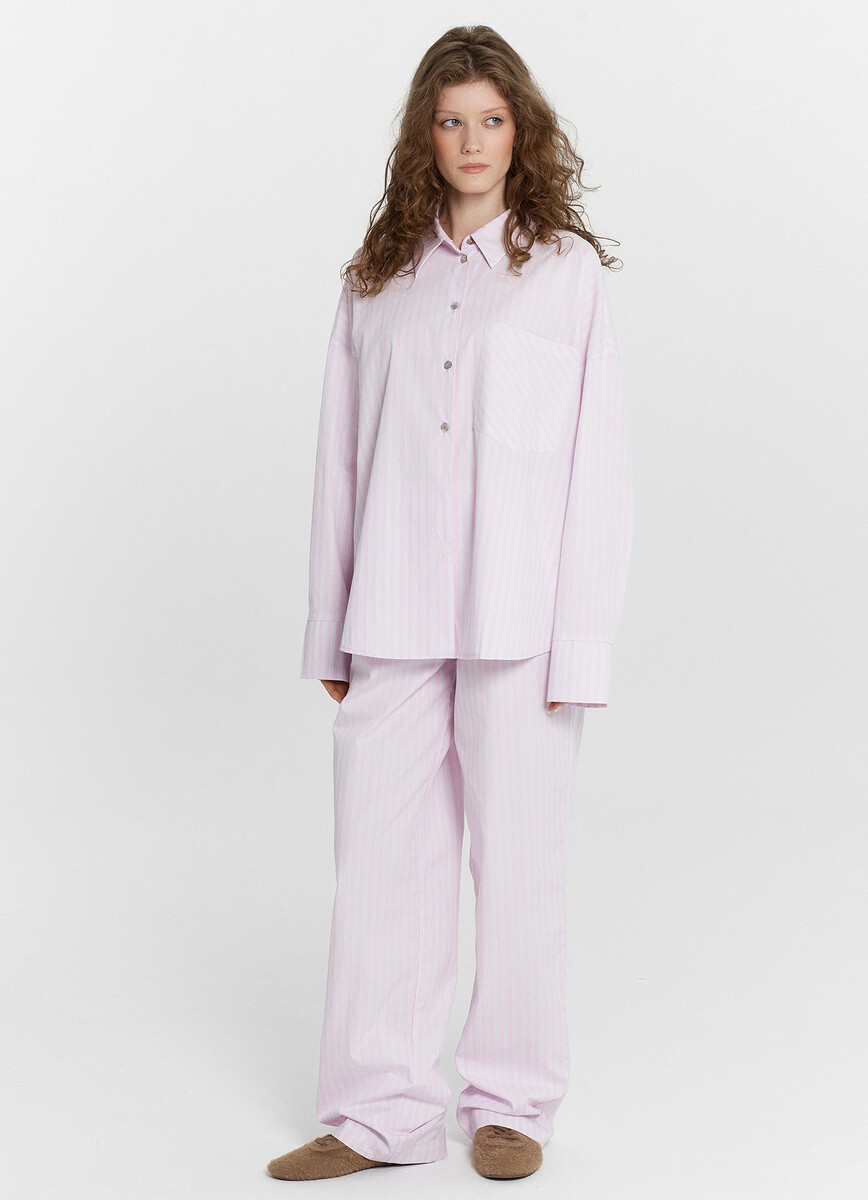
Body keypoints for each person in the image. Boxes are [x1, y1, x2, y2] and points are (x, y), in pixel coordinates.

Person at [267, 24, 634, 1184]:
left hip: (521, 627)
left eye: (491, 119)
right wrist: (329, 627)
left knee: (518, 869)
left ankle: (511, 1102)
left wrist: (581, 643)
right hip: (392, 615)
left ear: (521, 132)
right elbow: (339, 460)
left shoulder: (564, 275)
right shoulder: (375, 282)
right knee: (381, 869)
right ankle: (380, 1113)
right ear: (424, 137)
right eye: (450, 120)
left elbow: (597, 467)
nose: (472, 140)